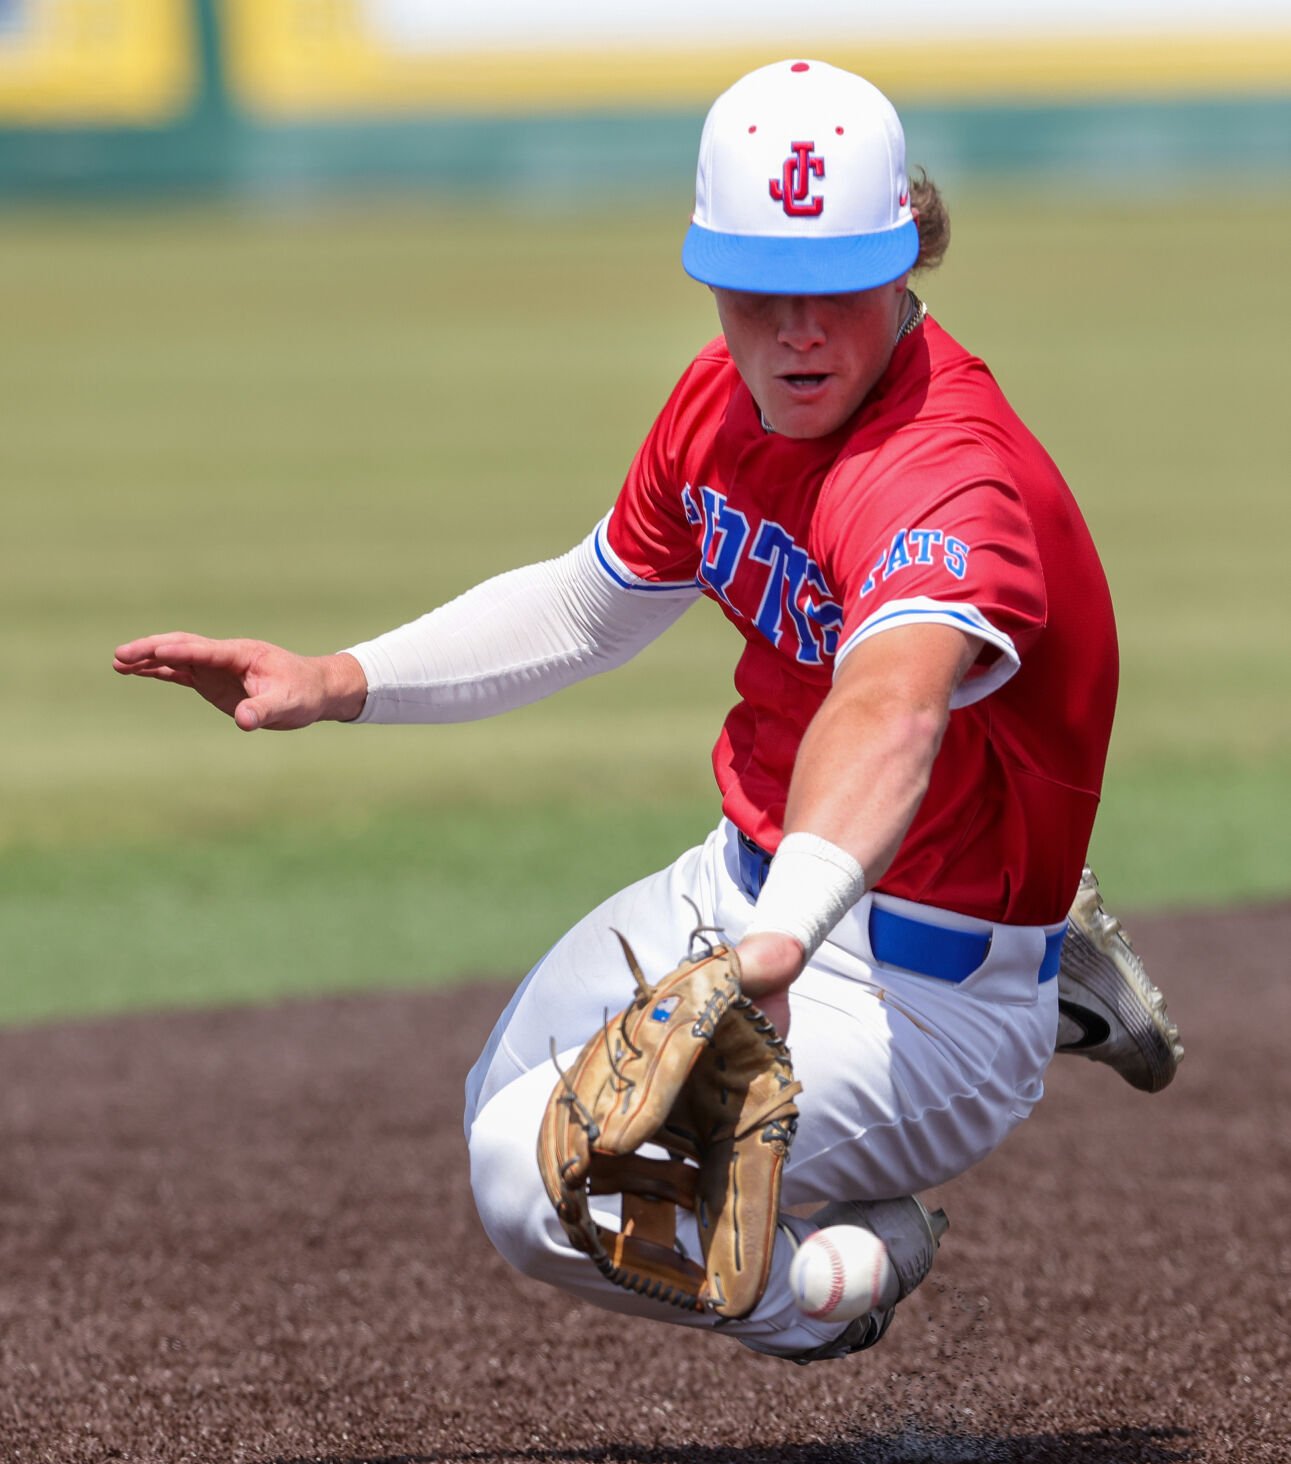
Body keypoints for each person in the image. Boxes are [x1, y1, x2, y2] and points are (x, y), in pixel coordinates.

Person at [114, 60, 1181, 1363]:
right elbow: (586, 606)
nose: (795, 330)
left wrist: (781, 940)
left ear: (903, 267)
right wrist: (337, 681)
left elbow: (890, 705)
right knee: (500, 1102)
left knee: (542, 1183)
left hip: (924, 996)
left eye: (835, 288)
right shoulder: (716, 410)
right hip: (736, 886)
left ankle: (842, 1278)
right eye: (755, 287)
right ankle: (859, 1221)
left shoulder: (944, 473)